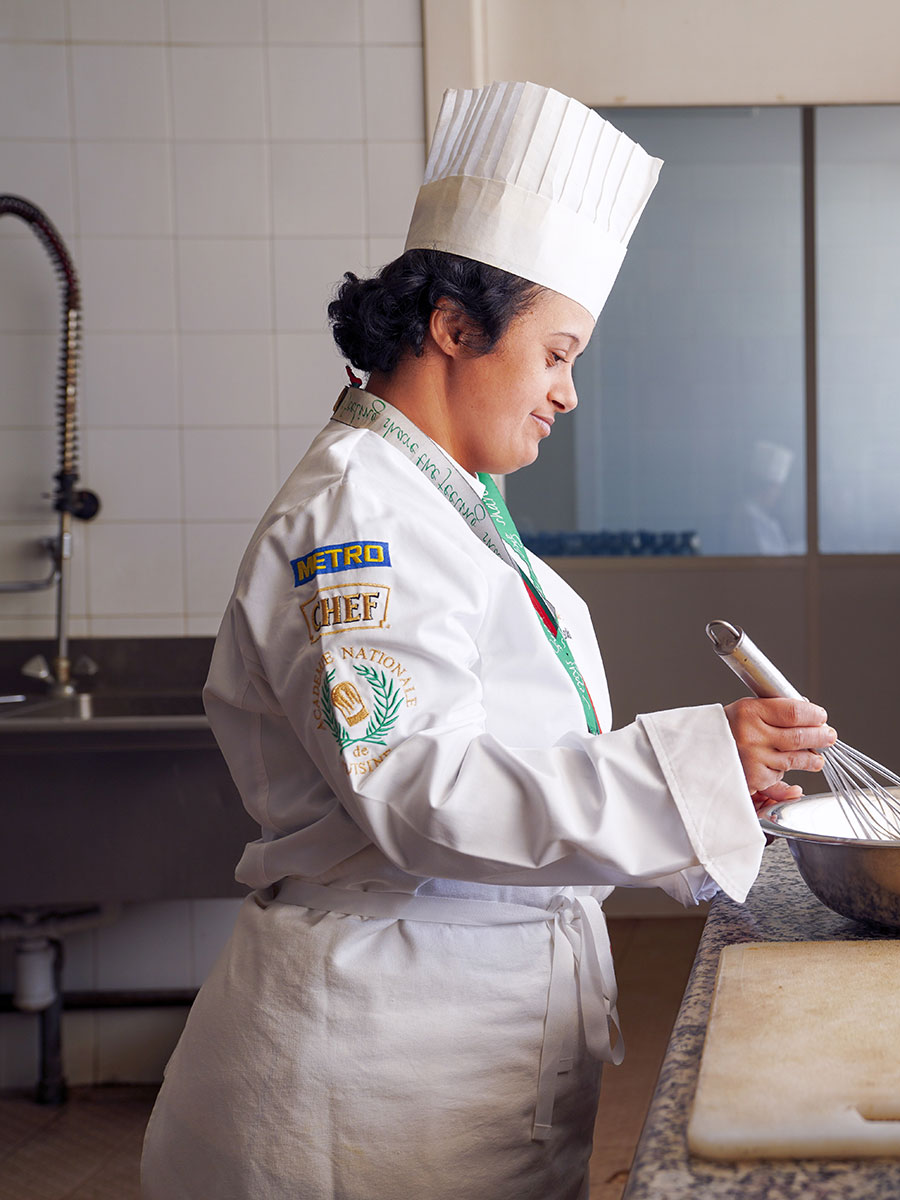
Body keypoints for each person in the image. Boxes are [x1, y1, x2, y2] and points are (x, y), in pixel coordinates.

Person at [140, 81, 835, 1200]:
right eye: (556, 354)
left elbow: (517, 767)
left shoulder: (447, 504)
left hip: (461, 1034)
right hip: (371, 1073)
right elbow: (418, 793)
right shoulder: (358, 515)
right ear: (456, 329)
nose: (567, 395)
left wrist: (709, 802)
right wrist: (692, 763)